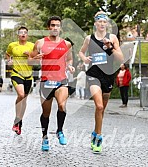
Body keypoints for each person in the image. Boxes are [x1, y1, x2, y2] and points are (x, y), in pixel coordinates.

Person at [78, 11, 124, 153]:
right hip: (94, 74)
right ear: (95, 23)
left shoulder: (112, 38)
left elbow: (120, 59)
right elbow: (81, 52)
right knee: (98, 106)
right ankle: (98, 137)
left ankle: (95, 131)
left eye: (104, 22)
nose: (102, 24)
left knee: (102, 109)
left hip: (108, 75)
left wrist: (110, 47)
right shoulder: (89, 38)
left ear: (107, 24)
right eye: (99, 21)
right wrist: (85, 59)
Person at [30, 16, 75, 151]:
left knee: (62, 105)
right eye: (53, 25)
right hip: (46, 82)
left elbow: (69, 60)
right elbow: (30, 60)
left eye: (57, 25)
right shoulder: (40, 43)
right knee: (46, 113)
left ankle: (59, 130)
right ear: (48, 27)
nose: (55, 28)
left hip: (61, 81)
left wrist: (70, 66)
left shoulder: (66, 44)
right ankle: (45, 137)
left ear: (60, 28)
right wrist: (35, 58)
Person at [5, 26, 34, 135]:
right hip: (16, 73)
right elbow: (7, 54)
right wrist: (9, 60)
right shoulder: (12, 45)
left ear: (27, 35)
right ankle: (16, 120)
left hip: (28, 76)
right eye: (21, 32)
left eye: (25, 32)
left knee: (24, 100)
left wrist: (30, 55)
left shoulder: (32, 46)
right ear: (18, 35)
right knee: (21, 95)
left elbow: (37, 59)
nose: (23, 34)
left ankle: (19, 122)